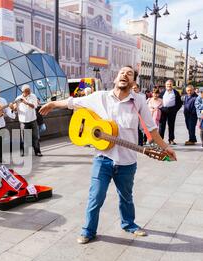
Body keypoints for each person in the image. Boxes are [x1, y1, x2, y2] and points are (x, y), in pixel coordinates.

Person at [40, 66, 177, 244]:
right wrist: (52, 104)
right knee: (95, 196)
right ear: (115, 78)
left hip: (127, 160)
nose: (124, 75)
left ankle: (129, 224)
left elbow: (151, 129)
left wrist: (166, 147)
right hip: (103, 158)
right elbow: (72, 103)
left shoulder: (139, 101)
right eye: (122, 72)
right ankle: (88, 230)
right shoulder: (100, 97)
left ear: (133, 81)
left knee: (126, 196)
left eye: (129, 74)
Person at [10, 84, 42, 156]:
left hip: (33, 120)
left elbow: (34, 106)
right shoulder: (18, 98)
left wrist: (26, 102)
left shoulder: (33, 96)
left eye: (29, 90)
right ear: (23, 91)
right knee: (24, 138)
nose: (29, 92)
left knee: (35, 137)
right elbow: (15, 109)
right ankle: (25, 152)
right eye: (27, 91)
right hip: (23, 121)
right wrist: (12, 107)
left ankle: (37, 151)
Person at [159, 79, 182, 145]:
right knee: (161, 126)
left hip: (172, 111)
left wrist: (175, 110)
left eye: (170, 84)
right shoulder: (162, 92)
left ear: (172, 85)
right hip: (163, 111)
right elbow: (158, 101)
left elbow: (179, 103)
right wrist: (160, 108)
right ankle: (161, 139)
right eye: (167, 84)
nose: (169, 85)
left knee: (171, 125)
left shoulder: (176, 92)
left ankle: (171, 139)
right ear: (165, 85)